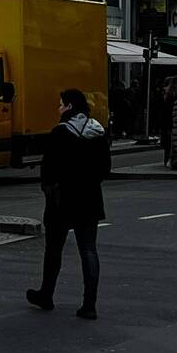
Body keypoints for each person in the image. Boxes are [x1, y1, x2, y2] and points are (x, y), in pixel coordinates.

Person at [27, 89, 111, 319]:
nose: (59, 108)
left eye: (61, 104)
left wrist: (50, 191)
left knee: (54, 249)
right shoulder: (97, 133)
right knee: (88, 249)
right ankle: (90, 304)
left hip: (62, 200)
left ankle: (46, 294)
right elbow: (105, 168)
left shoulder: (60, 133)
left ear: (70, 107)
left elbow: (48, 169)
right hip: (90, 199)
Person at [161, 75, 177, 167]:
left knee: (168, 142)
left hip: (168, 120)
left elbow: (164, 109)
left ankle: (167, 160)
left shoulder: (168, 94)